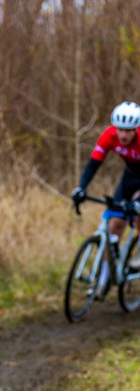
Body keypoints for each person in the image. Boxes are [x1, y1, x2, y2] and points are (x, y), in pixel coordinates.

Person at [71, 102, 140, 288]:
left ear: (136, 129)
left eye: (128, 131)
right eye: (120, 129)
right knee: (114, 223)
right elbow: (94, 164)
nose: (123, 135)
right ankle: (104, 278)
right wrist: (81, 188)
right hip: (130, 177)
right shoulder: (109, 136)